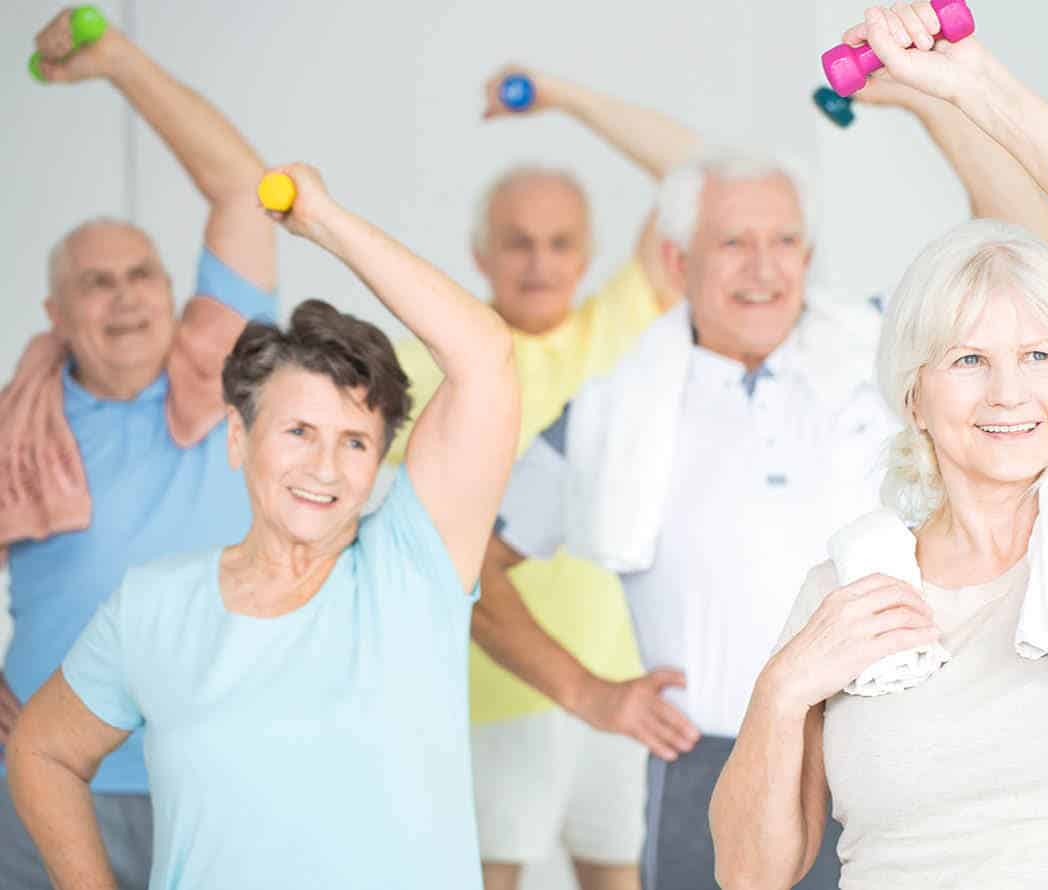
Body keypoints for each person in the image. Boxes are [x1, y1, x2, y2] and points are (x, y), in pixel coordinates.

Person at [469, 49, 1048, 890]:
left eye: (786, 241)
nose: (765, 267)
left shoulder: (879, 351)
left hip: (885, 751)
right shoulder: (611, 410)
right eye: (735, 243)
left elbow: (1021, 244)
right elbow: (474, 568)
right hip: (708, 767)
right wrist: (592, 694)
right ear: (678, 264)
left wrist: (935, 106)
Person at [711, 5, 1048, 888]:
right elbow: (752, 876)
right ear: (914, 392)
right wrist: (782, 690)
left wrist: (972, 84)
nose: (1010, 392)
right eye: (971, 359)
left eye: (1040, 357)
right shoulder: (848, 594)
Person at [7, 165, 520, 889]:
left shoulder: (414, 566)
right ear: (238, 440)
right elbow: (41, 751)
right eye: (299, 430)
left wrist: (329, 225)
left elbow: (485, 357)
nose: (325, 466)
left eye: (355, 441)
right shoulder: (154, 605)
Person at [386, 66, 690, 890]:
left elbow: (699, 177)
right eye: (518, 240)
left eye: (560, 242)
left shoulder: (625, 330)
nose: (539, 261)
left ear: (588, 253)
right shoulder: (427, 368)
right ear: (481, 252)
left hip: (625, 687)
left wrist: (572, 96)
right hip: (490, 693)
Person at [0, 10, 277, 887]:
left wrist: (118, 60)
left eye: (141, 274)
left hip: (216, 766)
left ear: (172, 289)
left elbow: (242, 186)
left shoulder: (231, 375)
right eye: (95, 282)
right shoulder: (17, 428)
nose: (124, 299)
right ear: (54, 313)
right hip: (48, 777)